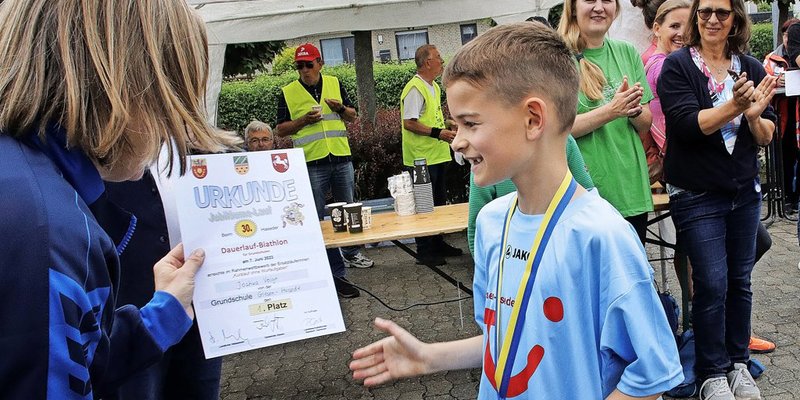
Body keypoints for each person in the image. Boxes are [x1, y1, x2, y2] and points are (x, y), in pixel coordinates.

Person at [350, 21, 683, 399]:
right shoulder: (492, 223)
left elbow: (652, 373)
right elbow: (506, 338)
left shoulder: (602, 235)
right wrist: (429, 357)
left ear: (533, 119)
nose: (457, 141)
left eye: (470, 123)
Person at [0, 0, 240, 398]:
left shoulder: (31, 184)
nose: (170, 130)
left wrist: (164, 312)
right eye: (168, 99)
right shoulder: (48, 232)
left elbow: (80, 359)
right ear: (120, 87)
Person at [658, 0, 778, 397]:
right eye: (705, 11)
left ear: (735, 19)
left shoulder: (751, 68)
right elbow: (687, 125)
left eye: (722, 13)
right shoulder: (677, 66)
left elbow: (766, 136)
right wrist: (735, 106)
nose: (712, 19)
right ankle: (711, 372)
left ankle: (738, 363)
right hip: (696, 194)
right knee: (711, 283)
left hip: (743, 192)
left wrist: (753, 116)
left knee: (739, 282)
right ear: (696, 17)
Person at [98, 149, 223, 400]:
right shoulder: (106, 143)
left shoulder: (194, 139)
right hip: (133, 300)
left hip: (200, 299)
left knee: (199, 388)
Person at [275, 43, 374, 298]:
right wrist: (303, 121)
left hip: (340, 157)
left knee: (348, 210)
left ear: (320, 63)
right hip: (311, 162)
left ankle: (351, 253)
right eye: (299, 66)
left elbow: (353, 116)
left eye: (309, 64)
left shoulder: (334, 83)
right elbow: (280, 130)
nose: (304, 70)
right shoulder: (288, 92)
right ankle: (323, 263)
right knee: (317, 217)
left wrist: (339, 108)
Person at [557, 0, 655, 245]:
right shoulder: (556, 58)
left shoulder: (627, 52)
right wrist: (612, 110)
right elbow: (557, 130)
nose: (599, 7)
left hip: (630, 190)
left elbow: (645, 123)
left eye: (607, 0)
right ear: (573, 7)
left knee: (631, 266)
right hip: (583, 194)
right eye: (590, 0)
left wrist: (632, 109)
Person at [466, 135, 595, 255]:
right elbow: (476, 228)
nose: (457, 144)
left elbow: (588, 197)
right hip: (510, 254)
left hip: (565, 249)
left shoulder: (562, 140)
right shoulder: (486, 159)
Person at [400, 44, 463, 266]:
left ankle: (438, 243)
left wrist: (448, 123)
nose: (442, 61)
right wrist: (438, 133)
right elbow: (409, 123)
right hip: (420, 159)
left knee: (438, 204)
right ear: (427, 62)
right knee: (425, 206)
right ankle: (425, 251)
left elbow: (429, 118)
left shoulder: (433, 86)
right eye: (438, 57)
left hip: (435, 155)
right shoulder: (415, 88)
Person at [766, 19, 800, 214]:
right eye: (785, 35)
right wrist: (775, 81)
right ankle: (787, 197)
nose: (788, 39)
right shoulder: (772, 58)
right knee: (785, 157)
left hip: (796, 113)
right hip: (783, 116)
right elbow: (763, 78)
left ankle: (795, 198)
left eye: (790, 35)